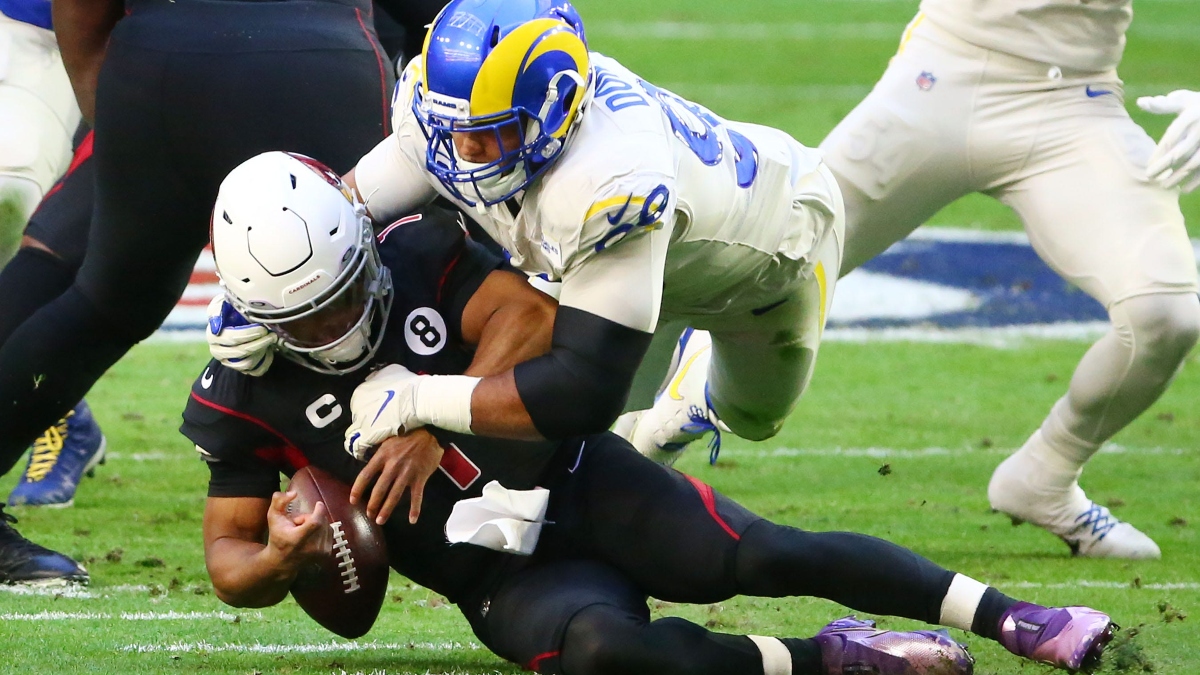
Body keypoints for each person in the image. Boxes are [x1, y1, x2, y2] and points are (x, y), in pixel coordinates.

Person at [190, 152, 1115, 675]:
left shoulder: (415, 251)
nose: (338, 325)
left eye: (347, 294)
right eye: (307, 319)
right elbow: (227, 550)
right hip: (495, 573)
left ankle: (1015, 618)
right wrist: (278, 557)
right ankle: (830, 657)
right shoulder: (242, 387)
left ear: (362, 245)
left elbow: (528, 316)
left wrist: (433, 418)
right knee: (607, 656)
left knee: (765, 553)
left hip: (579, 478)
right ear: (257, 314)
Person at [248, 0, 843, 499]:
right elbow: (336, 214)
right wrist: (252, 298)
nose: (463, 152)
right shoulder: (445, 122)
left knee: (753, 416)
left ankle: (692, 397)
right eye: (453, 128)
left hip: (773, 255)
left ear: (554, 109)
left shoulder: (609, 183)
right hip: (627, 270)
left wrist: (421, 400)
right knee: (587, 469)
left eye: (488, 132)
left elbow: (579, 393)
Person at [0, 0, 396, 584]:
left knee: (106, 302)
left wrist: (114, 95)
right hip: (320, 54)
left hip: (159, 60)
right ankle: (485, 477)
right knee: (395, 263)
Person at [817, 3, 1200, 559]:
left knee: (1165, 314)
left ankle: (1046, 474)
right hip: (940, 79)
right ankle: (677, 422)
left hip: (1077, 104)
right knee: (770, 263)